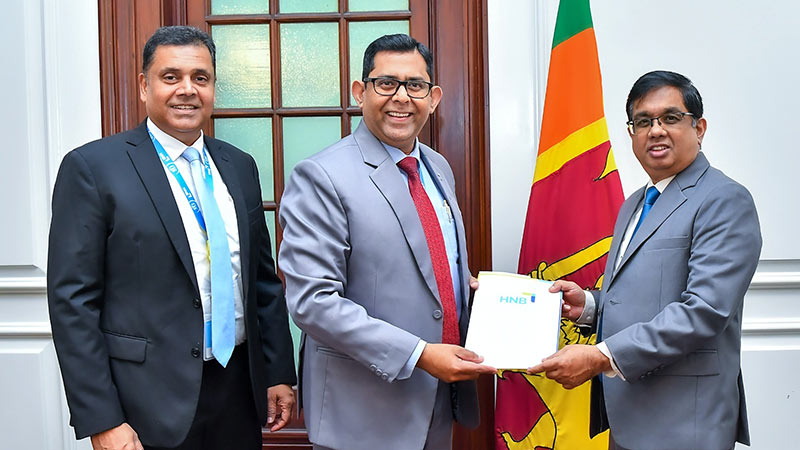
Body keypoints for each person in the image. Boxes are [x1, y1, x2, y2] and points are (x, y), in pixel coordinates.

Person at [47, 26, 296, 450]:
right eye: (171, 77)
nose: (187, 90)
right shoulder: (93, 168)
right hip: (145, 401)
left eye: (200, 78)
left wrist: (277, 372)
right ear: (144, 85)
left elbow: (262, 281)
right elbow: (73, 301)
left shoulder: (239, 167)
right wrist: (102, 418)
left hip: (237, 388)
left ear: (213, 87)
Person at [278, 34, 496, 450]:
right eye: (386, 84)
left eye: (415, 85)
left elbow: (433, 264)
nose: (401, 97)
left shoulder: (437, 167)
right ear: (360, 92)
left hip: (438, 400)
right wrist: (419, 354)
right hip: (365, 411)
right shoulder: (322, 176)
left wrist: (472, 291)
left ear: (433, 98)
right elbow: (313, 301)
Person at [528, 70, 761, 450]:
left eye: (670, 118)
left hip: (685, 423)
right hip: (629, 416)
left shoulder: (724, 200)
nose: (655, 130)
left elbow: (702, 311)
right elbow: (642, 298)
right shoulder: (635, 203)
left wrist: (601, 356)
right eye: (643, 121)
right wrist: (588, 305)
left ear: (699, 128)